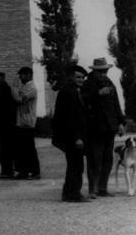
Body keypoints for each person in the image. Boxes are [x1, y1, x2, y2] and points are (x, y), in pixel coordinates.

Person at [82, 56, 126, 198]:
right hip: (94, 127)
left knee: (108, 159)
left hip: (109, 127)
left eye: (104, 71)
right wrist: (98, 94)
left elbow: (116, 104)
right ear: (94, 71)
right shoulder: (87, 84)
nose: (102, 74)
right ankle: (92, 189)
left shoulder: (109, 83)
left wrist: (121, 122)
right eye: (99, 71)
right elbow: (83, 100)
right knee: (94, 158)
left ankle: (102, 188)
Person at [52, 63, 89, 203]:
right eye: (78, 77)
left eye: (83, 77)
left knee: (75, 165)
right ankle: (73, 194)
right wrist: (76, 137)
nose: (81, 80)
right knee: (76, 166)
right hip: (72, 136)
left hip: (73, 135)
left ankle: (69, 193)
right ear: (71, 77)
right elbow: (69, 118)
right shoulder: (68, 92)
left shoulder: (75, 91)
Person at [11, 66, 40, 180]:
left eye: (22, 75)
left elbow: (19, 99)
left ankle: (35, 172)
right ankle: (23, 171)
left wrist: (14, 88)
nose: (20, 77)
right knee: (22, 149)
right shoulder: (24, 87)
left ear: (29, 75)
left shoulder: (32, 88)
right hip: (22, 122)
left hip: (27, 122)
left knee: (29, 149)